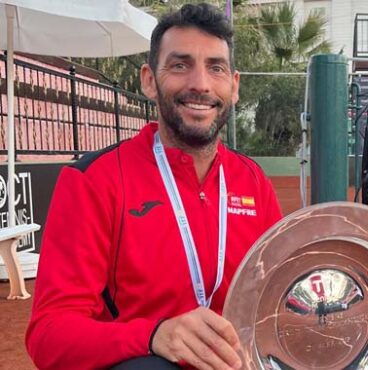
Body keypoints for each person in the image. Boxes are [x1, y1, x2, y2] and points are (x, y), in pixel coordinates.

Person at [25, 4, 282, 370]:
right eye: (180, 65)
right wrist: (153, 335)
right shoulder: (94, 180)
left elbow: (276, 304)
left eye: (216, 68)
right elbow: (49, 335)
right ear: (149, 80)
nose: (200, 84)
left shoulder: (253, 182)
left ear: (234, 86)